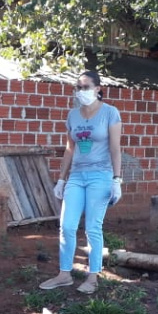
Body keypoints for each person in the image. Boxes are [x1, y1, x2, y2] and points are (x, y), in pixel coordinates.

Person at [39, 71, 123, 294]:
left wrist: (117, 179)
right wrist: (61, 179)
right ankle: (64, 274)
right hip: (76, 176)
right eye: (78, 87)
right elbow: (70, 148)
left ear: (97, 89)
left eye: (85, 87)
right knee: (66, 225)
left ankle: (92, 277)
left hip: (101, 175)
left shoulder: (110, 113)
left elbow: (116, 148)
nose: (81, 91)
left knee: (93, 227)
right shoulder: (73, 116)